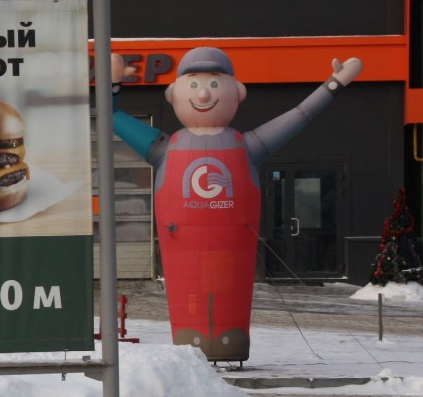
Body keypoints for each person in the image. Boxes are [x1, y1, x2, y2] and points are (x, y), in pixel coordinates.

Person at [112, 47, 362, 362]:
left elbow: (301, 115)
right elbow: (111, 117)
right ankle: (192, 346)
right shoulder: (167, 147)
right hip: (181, 240)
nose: (203, 93)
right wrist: (112, 87)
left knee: (228, 290)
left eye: (214, 84)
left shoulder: (243, 145)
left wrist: (333, 86)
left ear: (237, 92)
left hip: (233, 238)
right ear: (173, 94)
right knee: (191, 299)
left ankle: (231, 341)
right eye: (194, 84)